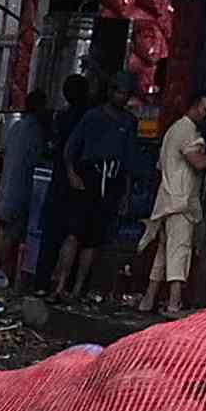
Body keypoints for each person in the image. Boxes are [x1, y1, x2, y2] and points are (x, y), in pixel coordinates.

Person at [143, 91, 206, 318]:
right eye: (205, 109)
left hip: (168, 199)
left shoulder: (173, 130)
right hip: (180, 202)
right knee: (179, 251)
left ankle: (148, 299)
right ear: (194, 107)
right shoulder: (186, 131)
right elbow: (200, 163)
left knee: (164, 252)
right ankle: (174, 304)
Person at [48, 77, 143, 305]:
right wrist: (73, 174)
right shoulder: (93, 117)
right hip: (89, 175)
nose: (123, 98)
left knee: (93, 240)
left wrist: (125, 194)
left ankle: (78, 289)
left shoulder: (129, 122)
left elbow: (129, 161)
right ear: (111, 92)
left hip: (112, 179)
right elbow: (71, 149)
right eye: (120, 92)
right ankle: (59, 285)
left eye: (126, 94)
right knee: (74, 234)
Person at [0, 84, 54, 285]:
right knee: (12, 231)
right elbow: (38, 157)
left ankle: (1, 269)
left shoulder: (17, 126)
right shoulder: (34, 130)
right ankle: (2, 269)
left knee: (7, 230)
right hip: (21, 186)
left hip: (8, 183)